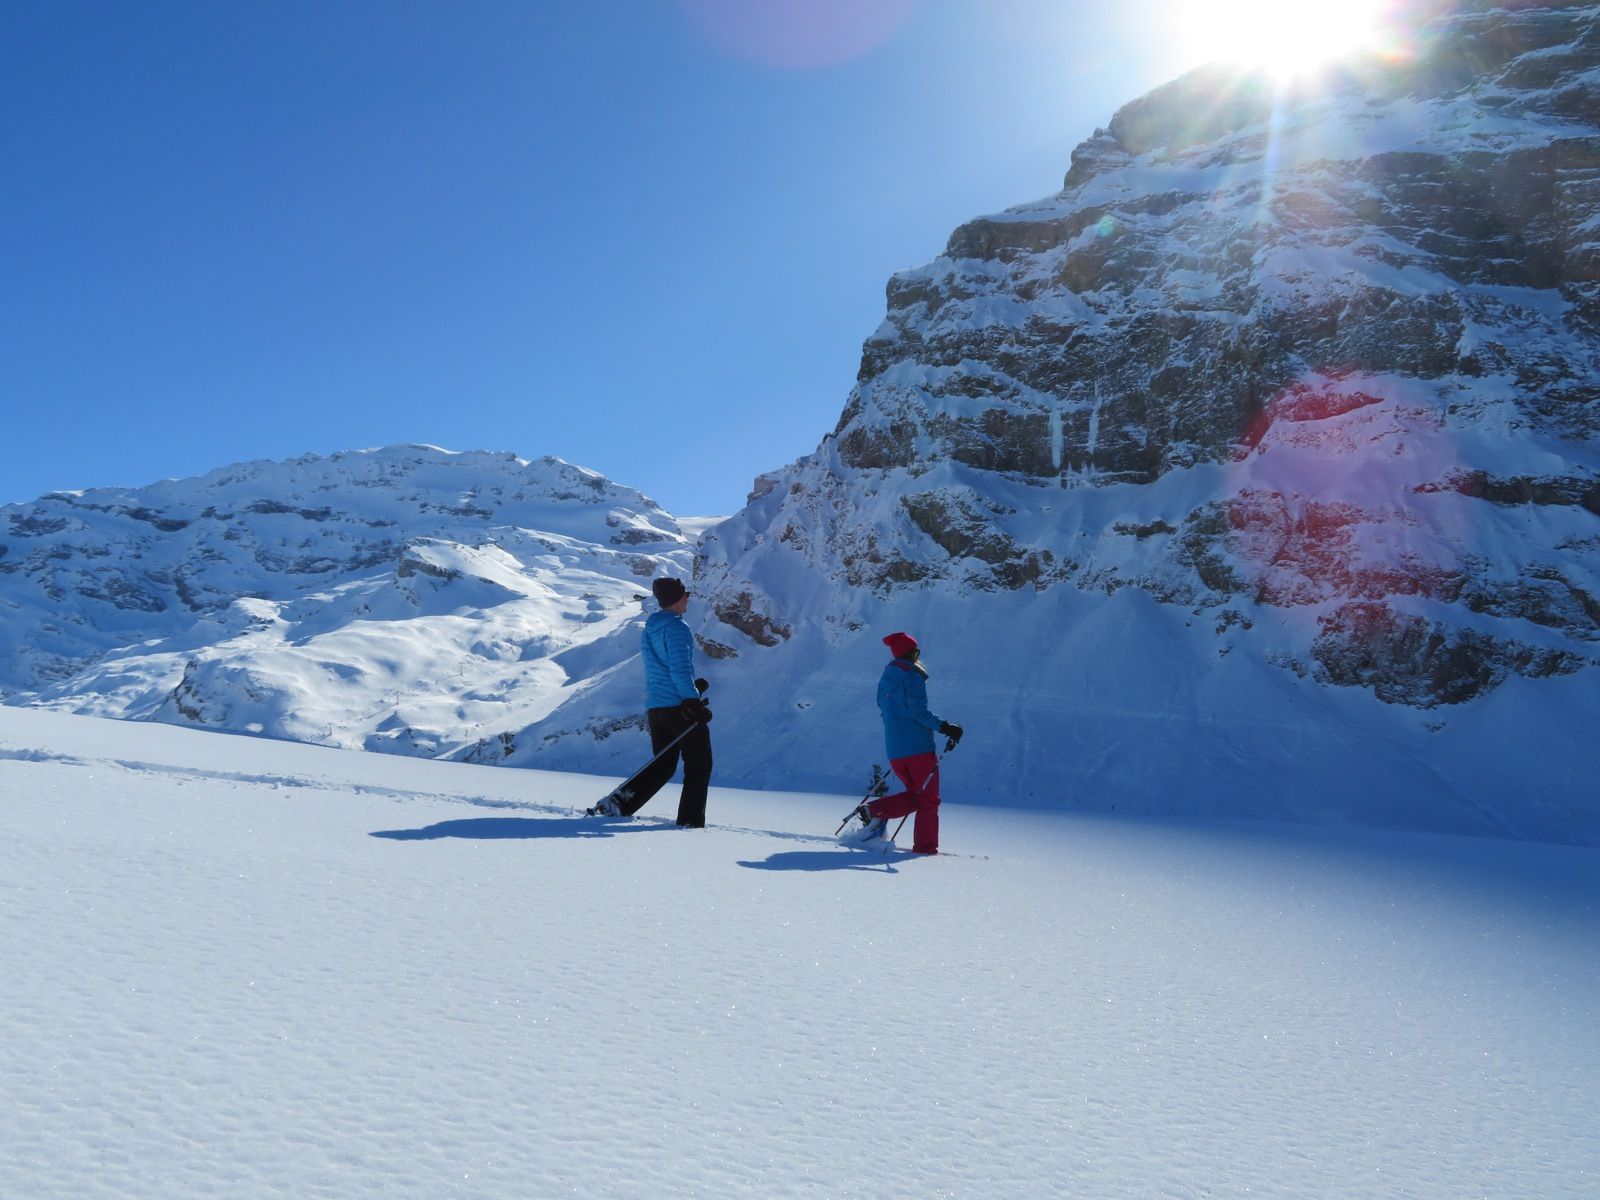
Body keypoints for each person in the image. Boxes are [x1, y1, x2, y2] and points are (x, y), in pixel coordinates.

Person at [593, 576, 712, 827]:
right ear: (679, 598)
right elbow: (679, 670)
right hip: (679, 708)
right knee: (699, 763)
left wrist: (694, 688)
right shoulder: (678, 628)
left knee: (664, 765)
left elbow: (662, 668)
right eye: (685, 594)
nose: (688, 598)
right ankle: (690, 823)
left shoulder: (652, 627)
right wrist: (692, 701)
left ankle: (618, 804)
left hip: (657, 708)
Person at [851, 631, 962, 855]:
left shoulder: (885, 680)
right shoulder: (912, 678)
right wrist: (945, 727)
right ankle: (925, 849)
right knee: (928, 800)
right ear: (911, 653)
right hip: (919, 749)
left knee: (917, 797)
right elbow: (919, 713)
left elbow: (885, 712)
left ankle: (875, 812)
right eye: (916, 651)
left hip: (895, 751)